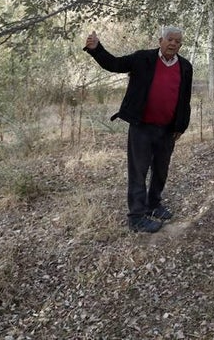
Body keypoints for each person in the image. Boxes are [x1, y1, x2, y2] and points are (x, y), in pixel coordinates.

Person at [83, 26, 193, 233]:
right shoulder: (143, 58)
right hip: (142, 127)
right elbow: (115, 64)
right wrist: (96, 49)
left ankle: (154, 205)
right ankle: (136, 216)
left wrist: (181, 126)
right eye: (170, 39)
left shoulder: (186, 67)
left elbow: (185, 99)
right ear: (160, 40)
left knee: (161, 171)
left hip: (168, 129)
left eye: (178, 41)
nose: (173, 44)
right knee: (138, 172)